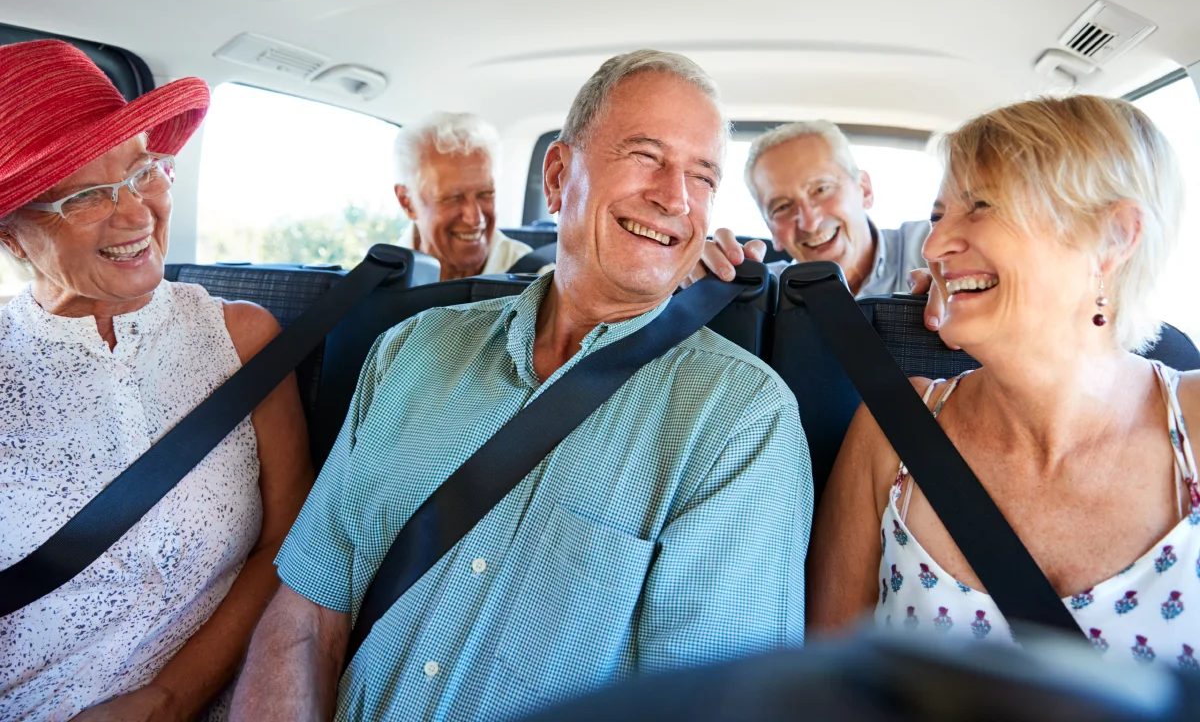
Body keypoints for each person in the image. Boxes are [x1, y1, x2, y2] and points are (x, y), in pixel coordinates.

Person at [231, 50, 812, 721]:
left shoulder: (741, 420)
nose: (675, 197)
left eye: (703, 176)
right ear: (561, 175)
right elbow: (306, 615)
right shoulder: (409, 351)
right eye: (646, 156)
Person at [807, 94, 1200, 666]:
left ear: (1113, 238)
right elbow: (822, 689)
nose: (935, 244)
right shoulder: (891, 431)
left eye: (982, 206)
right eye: (940, 216)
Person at [0, 40, 313, 720]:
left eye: (143, 172)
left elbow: (292, 538)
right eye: (87, 196)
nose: (137, 214)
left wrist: (171, 699)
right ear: (13, 237)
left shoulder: (241, 338)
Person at [685, 121, 928, 298]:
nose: (809, 223)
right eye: (782, 207)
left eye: (821, 189)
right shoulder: (758, 295)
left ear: (864, 189)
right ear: (772, 231)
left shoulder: (935, 248)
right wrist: (699, 291)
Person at [395, 111, 543, 279]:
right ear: (407, 202)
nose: (475, 218)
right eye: (453, 198)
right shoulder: (378, 285)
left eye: (485, 194)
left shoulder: (538, 280)